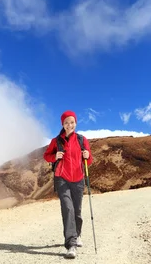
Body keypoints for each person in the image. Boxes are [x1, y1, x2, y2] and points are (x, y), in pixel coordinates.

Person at [43, 110, 94, 259]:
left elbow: (88, 161)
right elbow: (46, 156)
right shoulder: (56, 141)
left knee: (77, 211)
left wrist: (87, 155)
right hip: (62, 178)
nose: (69, 125)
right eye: (66, 122)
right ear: (62, 124)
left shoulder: (81, 140)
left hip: (78, 179)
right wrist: (54, 156)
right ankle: (71, 244)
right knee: (68, 209)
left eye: (72, 122)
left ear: (75, 123)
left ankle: (77, 235)